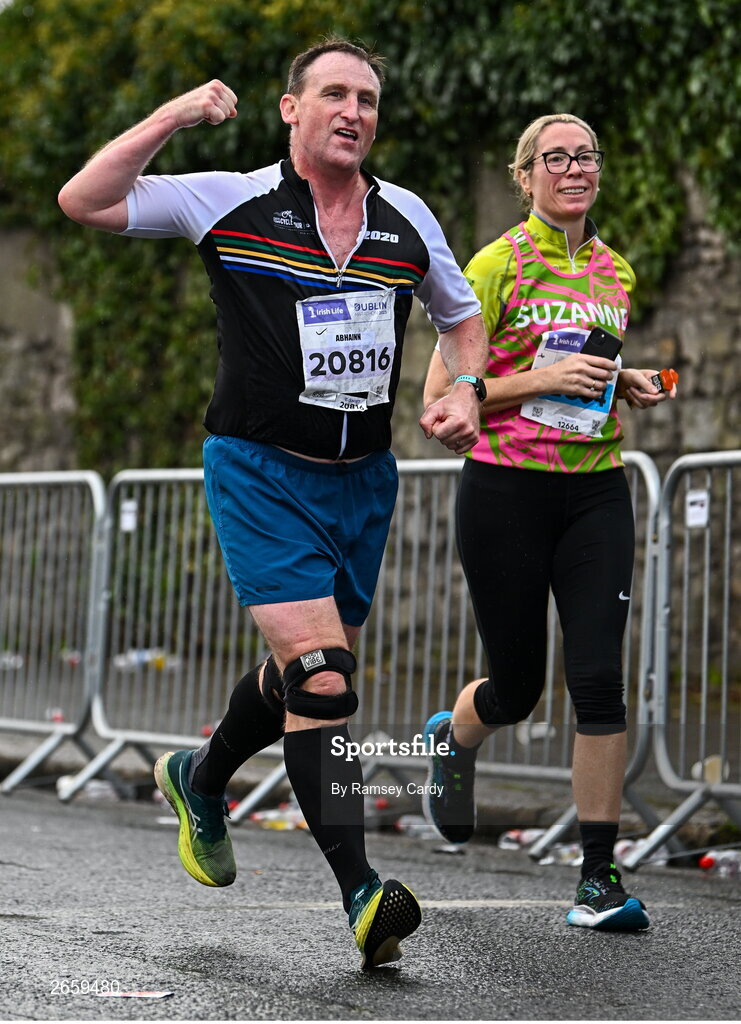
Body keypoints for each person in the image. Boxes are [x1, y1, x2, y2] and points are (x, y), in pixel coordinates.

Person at [58, 39, 488, 969]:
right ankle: (362, 892)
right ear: (290, 110)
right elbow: (84, 200)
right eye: (333, 93)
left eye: (368, 98)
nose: (353, 111)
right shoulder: (230, 197)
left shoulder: (405, 218)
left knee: (301, 679)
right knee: (327, 678)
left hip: (362, 483)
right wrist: (174, 114)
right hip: (258, 472)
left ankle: (200, 774)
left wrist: (468, 388)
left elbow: (458, 316)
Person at [420, 113, 677, 932]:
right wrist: (539, 378)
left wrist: (621, 378)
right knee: (519, 687)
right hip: (504, 490)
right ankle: (453, 739)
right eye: (555, 157)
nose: (574, 168)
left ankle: (597, 880)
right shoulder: (494, 267)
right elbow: (439, 398)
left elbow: (582, 377)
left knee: (598, 678)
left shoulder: (614, 270)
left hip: (596, 489)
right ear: (524, 174)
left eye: (586, 155)